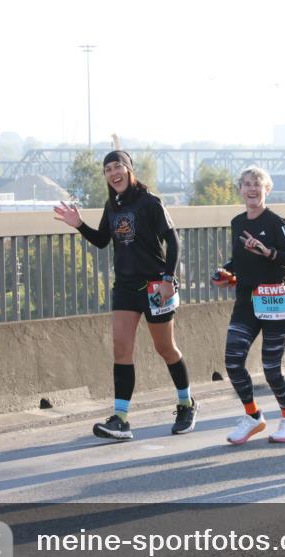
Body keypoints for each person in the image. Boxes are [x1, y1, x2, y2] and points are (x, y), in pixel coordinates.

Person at [53, 150, 197, 439]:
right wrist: (79, 224)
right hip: (125, 287)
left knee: (165, 348)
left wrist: (168, 279)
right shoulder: (112, 205)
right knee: (121, 349)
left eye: (117, 166)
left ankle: (186, 404)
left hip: (155, 286)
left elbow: (173, 240)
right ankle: (120, 419)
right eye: (107, 169)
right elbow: (102, 240)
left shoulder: (150, 202)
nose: (113, 173)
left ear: (129, 170)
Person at [212, 166, 285, 445]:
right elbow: (241, 260)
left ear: (268, 190)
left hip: (276, 300)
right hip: (247, 301)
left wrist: (269, 252)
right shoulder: (237, 222)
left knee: (271, 368)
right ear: (240, 190)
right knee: (233, 361)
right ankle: (253, 416)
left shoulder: (277, 223)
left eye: (258, 184)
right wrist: (226, 273)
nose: (252, 189)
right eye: (247, 184)